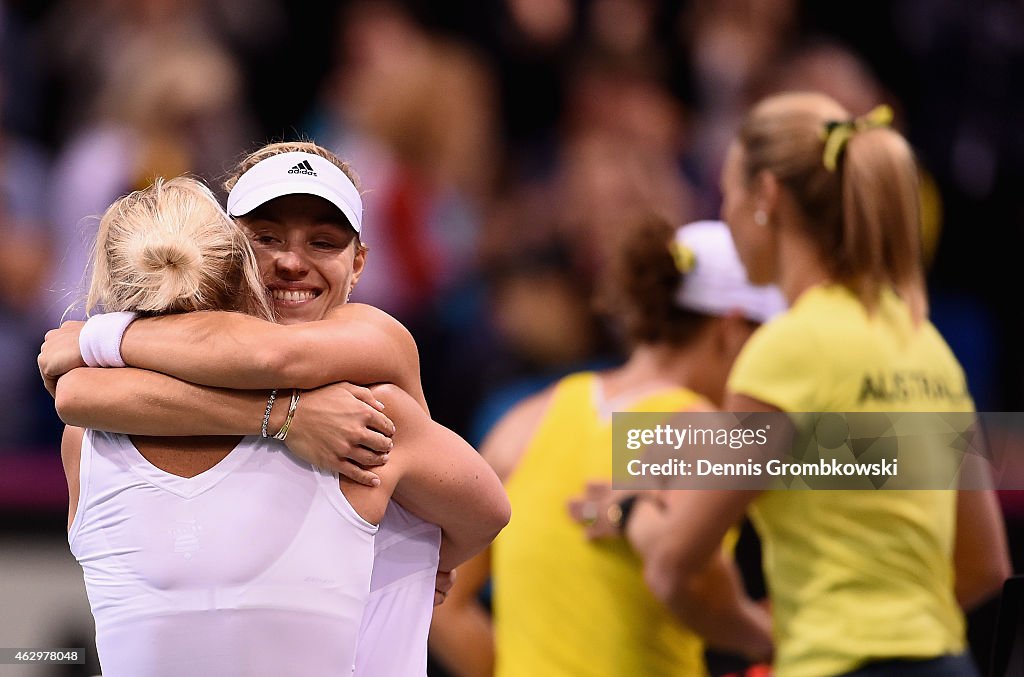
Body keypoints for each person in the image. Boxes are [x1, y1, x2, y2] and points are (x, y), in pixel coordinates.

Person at [42, 147, 510, 675]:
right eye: (266, 239)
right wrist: (287, 417)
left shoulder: (375, 350)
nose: (291, 261)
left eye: (324, 242)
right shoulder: (99, 417)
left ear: (359, 263)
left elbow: (274, 356)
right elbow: (77, 397)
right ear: (228, 251)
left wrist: (99, 335)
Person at [621, 92, 1010, 677]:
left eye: (727, 193)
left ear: (765, 199)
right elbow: (984, 566)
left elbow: (676, 562)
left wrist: (635, 505)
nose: (724, 213)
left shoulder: (787, 349)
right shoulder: (925, 343)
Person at [429, 217, 782, 676]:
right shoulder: (709, 432)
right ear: (733, 331)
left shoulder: (522, 423)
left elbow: (441, 599)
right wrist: (766, 637)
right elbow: (697, 583)